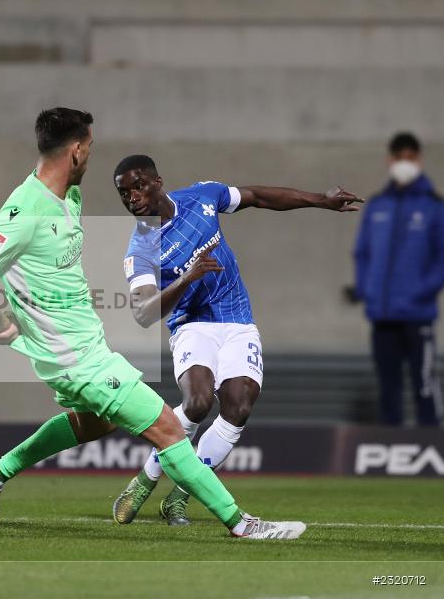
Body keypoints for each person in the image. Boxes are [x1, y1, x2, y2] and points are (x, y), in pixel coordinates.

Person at [0, 107, 305, 539]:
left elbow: (27, 270)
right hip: (79, 360)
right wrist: (2, 320)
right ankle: (241, 524)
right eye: (91, 148)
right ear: (78, 150)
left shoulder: (68, 197)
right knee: (169, 429)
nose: (92, 156)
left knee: (92, 425)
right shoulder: (26, 209)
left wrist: (14, 313)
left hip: (79, 351)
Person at [112, 155, 361, 526]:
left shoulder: (203, 197)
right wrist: (186, 279)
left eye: (138, 186)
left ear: (157, 181)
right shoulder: (140, 249)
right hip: (192, 325)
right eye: (123, 192)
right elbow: (144, 312)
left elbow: (258, 195)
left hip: (237, 319)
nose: (132, 196)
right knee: (196, 403)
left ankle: (180, 497)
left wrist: (320, 200)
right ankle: (146, 478)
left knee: (238, 406)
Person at [352, 132, 444, 426]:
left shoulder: (434, 207)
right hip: (382, 314)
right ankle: (390, 453)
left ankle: (431, 448)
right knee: (388, 388)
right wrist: (367, 290)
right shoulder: (378, 205)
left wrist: (421, 292)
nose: (404, 164)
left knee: (424, 384)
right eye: (399, 158)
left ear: (418, 160)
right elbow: (363, 252)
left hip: (418, 314)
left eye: (410, 158)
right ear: (389, 160)